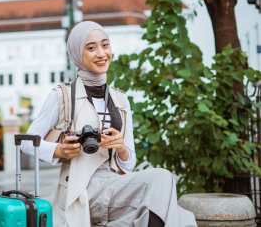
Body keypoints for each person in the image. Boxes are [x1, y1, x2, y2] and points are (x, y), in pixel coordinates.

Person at [21, 21, 197, 227]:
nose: (101, 53)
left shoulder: (120, 99)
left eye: (105, 45)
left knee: (173, 199)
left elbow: (129, 163)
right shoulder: (62, 95)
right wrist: (58, 150)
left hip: (115, 186)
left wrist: (120, 147)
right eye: (91, 48)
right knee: (171, 202)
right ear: (77, 54)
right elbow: (25, 142)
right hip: (81, 190)